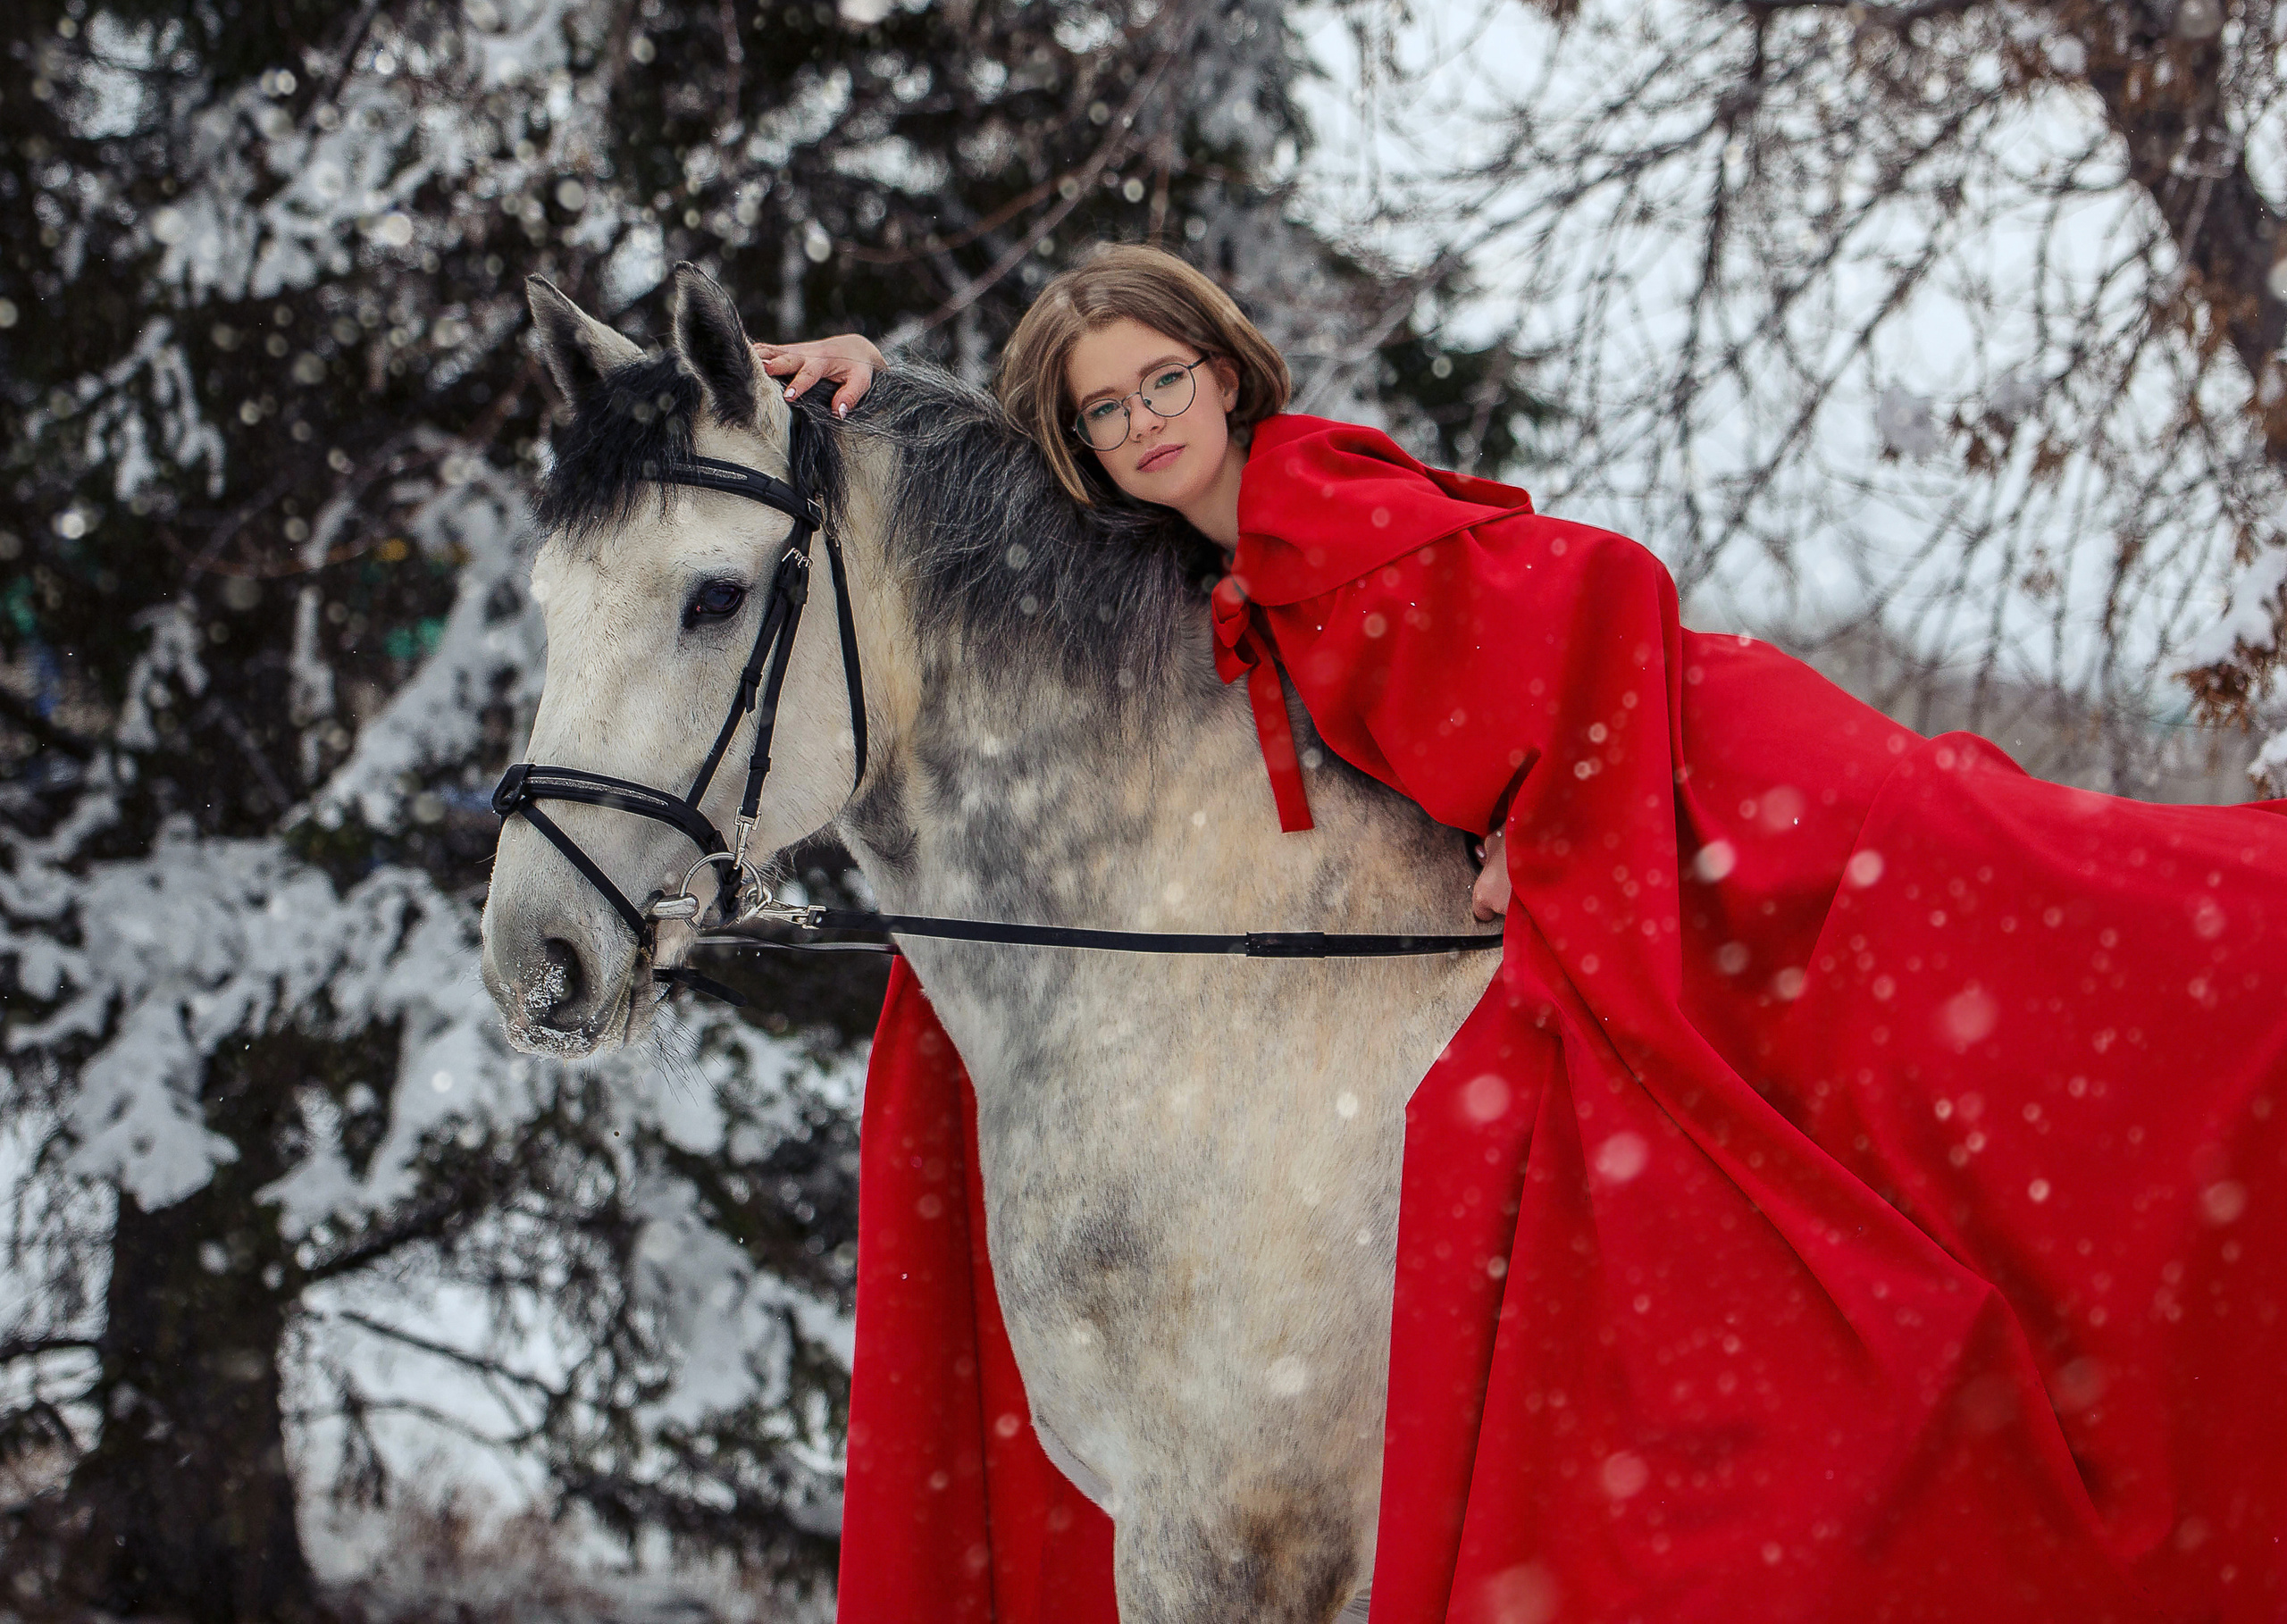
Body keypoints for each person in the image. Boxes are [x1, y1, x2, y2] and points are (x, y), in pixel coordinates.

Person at [760, 246, 2287, 1624]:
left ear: (1222, 373)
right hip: (1651, 778)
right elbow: (1020, 508)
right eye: (1106, 410)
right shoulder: (1211, 559)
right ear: (1080, 443)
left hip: (1722, 772)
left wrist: (1549, 832)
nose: (1146, 421)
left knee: (1941, 1007)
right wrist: (876, 391)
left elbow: (1603, 597)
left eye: (1165, 380)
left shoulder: (1308, 506)